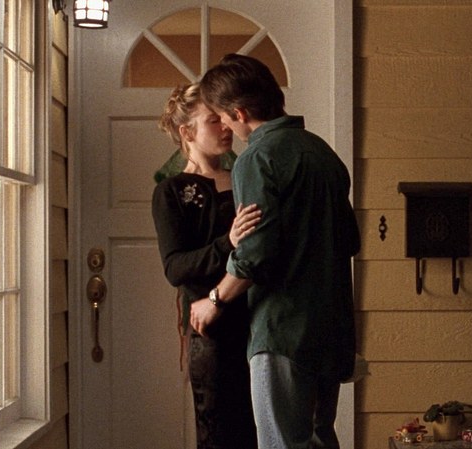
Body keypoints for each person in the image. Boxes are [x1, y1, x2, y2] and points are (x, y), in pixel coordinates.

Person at [192, 54, 361, 449]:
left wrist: (214, 300)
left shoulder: (256, 158)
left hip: (283, 330)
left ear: (240, 112)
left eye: (225, 118)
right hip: (331, 328)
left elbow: (256, 252)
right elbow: (350, 240)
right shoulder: (322, 153)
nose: (227, 127)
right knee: (319, 440)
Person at [151, 83, 260, 449]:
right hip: (213, 333)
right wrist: (227, 242)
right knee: (219, 436)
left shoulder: (246, 176)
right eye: (214, 120)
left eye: (225, 118)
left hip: (262, 324)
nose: (226, 127)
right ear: (187, 132)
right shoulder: (171, 192)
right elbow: (176, 268)